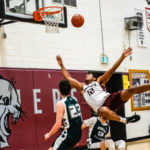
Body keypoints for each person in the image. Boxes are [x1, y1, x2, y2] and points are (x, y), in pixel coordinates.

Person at [56, 47, 149, 124]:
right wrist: (61, 65)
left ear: (94, 79)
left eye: (89, 74)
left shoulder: (99, 81)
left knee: (130, 90)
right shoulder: (82, 87)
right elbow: (69, 78)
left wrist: (122, 57)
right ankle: (124, 120)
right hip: (102, 109)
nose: (87, 75)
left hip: (111, 98)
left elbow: (112, 70)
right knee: (103, 110)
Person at [44, 79, 82, 150]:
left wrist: (49, 134)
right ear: (70, 90)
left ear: (59, 90)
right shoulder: (75, 101)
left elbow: (58, 124)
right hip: (78, 134)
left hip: (69, 135)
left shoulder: (60, 104)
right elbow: (78, 121)